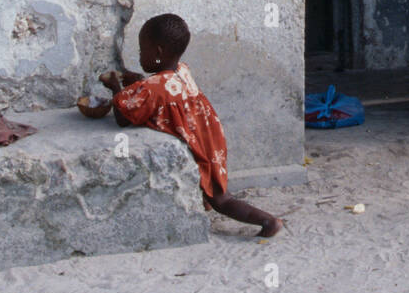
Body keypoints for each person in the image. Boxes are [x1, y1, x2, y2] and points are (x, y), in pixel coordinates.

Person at [100, 13, 284, 238]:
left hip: (197, 146)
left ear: (157, 52)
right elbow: (158, 85)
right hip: (210, 138)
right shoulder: (181, 71)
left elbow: (123, 117)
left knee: (221, 200)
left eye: (142, 50)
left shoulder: (154, 88)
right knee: (214, 187)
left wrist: (115, 87)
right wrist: (137, 80)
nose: (139, 55)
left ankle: (268, 221)